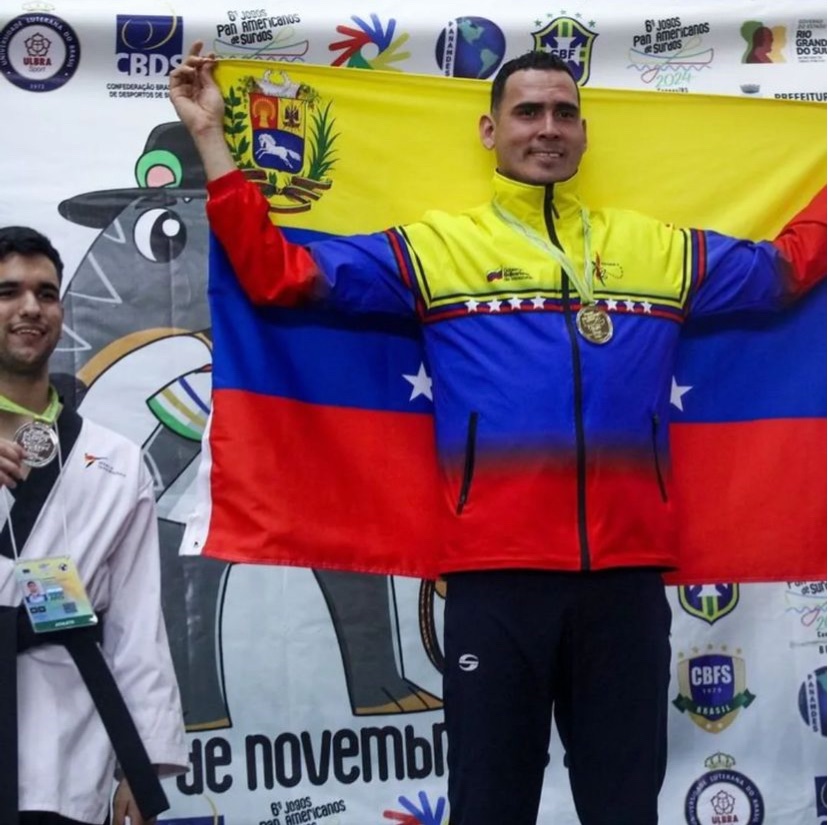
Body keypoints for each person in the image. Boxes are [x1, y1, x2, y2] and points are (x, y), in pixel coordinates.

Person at [169, 43, 826, 825]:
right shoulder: (439, 248)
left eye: (563, 113)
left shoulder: (659, 248)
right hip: (495, 582)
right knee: (491, 804)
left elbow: (789, 268)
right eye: (527, 112)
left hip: (624, 580)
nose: (547, 128)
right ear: (489, 130)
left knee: (625, 807)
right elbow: (279, 271)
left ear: (584, 132)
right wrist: (211, 140)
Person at [0, 226, 188, 825]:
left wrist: (144, 762)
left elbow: (135, 623)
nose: (30, 307)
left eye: (46, 293)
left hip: (69, 743)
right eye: (7, 291)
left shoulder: (115, 459)